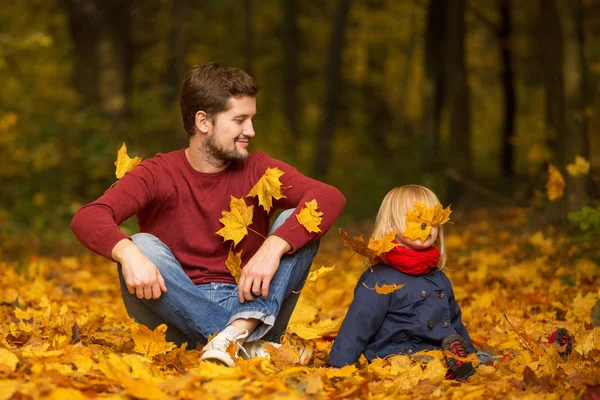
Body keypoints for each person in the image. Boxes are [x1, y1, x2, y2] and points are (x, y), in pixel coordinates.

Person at [71, 62, 346, 367]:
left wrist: (274, 246)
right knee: (141, 244)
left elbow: (328, 197)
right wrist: (127, 252)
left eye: (252, 119)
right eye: (240, 120)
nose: (251, 131)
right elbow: (89, 217)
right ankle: (245, 344)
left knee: (296, 222)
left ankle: (236, 336)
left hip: (252, 305)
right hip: (174, 314)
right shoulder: (157, 173)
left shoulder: (259, 170)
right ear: (203, 121)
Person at [327, 185, 574, 380]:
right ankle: (461, 366)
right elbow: (356, 326)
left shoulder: (438, 277)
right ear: (392, 226)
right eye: (417, 220)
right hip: (398, 358)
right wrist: (338, 368)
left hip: (446, 350)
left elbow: (453, 322)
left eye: (434, 221)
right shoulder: (379, 278)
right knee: (429, 364)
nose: (428, 227)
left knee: (486, 359)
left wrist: (468, 351)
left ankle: (545, 352)